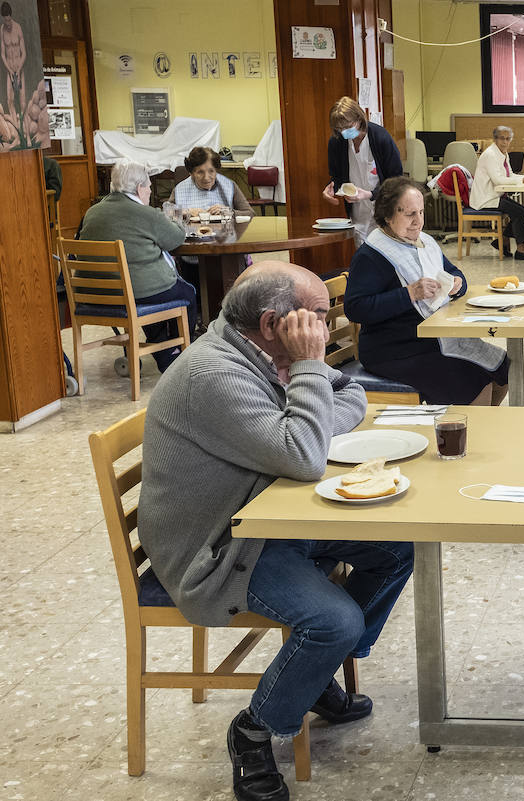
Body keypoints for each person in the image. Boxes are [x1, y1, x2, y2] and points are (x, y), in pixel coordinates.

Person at [139, 261, 414, 801]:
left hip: (266, 515)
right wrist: (309, 388)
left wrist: (307, 409)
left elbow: (350, 394)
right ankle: (253, 730)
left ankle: (307, 677)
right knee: (335, 621)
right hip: (218, 549)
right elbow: (304, 456)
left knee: (396, 549)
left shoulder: (263, 352)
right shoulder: (214, 375)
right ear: (272, 323)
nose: (324, 325)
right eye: (315, 316)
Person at [344, 176, 510, 405]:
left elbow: (454, 272)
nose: (418, 221)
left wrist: (456, 284)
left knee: (501, 365)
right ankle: (468, 435)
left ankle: (480, 429)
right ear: (388, 215)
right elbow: (355, 308)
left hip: (429, 337)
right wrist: (410, 293)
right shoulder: (372, 254)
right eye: (409, 214)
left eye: (421, 212)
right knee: (472, 377)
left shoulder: (423, 243)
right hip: (393, 348)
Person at [77, 159, 197, 371]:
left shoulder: (92, 212)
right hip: (133, 294)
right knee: (186, 293)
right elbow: (175, 239)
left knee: (148, 289)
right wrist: (176, 219)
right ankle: (178, 356)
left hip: (91, 294)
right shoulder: (147, 214)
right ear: (140, 188)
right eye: (149, 186)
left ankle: (164, 352)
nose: (150, 191)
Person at [322, 96, 402, 244]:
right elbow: (337, 176)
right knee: (363, 252)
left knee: (385, 251)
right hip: (357, 213)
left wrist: (371, 194)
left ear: (359, 119)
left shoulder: (380, 138)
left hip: (383, 208)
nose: (344, 132)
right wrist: (331, 188)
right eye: (339, 129)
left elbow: (397, 180)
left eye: (348, 126)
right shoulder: (337, 142)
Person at [470, 124, 524, 261]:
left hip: (495, 196)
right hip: (486, 198)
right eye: (502, 139)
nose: (505, 142)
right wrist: (523, 181)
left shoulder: (503, 154)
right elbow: (498, 180)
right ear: (495, 139)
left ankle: (501, 241)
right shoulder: (490, 155)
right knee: (520, 212)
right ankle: (521, 250)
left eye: (508, 139)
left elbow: (510, 176)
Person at [173, 146, 253, 217]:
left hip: (222, 232)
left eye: (211, 171)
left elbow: (250, 213)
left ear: (216, 170)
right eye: (200, 172)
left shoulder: (229, 185)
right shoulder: (180, 189)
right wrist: (185, 212)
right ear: (191, 173)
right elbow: (166, 214)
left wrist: (229, 212)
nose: (206, 178)